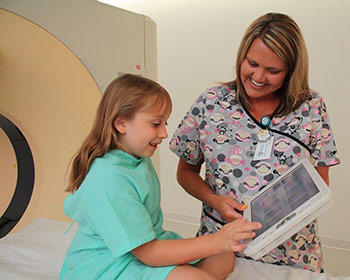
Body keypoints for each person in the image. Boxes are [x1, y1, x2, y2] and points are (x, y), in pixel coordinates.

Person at [169, 12, 340, 273]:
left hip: (294, 256)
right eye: (252, 63)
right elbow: (185, 172)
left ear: (291, 71)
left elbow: (320, 181)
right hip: (223, 252)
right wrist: (215, 200)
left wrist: (279, 214)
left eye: (273, 71)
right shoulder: (212, 102)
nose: (258, 76)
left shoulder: (311, 107)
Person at [59, 74, 261, 280]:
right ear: (121, 124)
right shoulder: (108, 179)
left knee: (224, 256)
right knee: (204, 266)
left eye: (165, 123)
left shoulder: (135, 158)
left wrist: (219, 245)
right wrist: (215, 240)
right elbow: (148, 253)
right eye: (156, 124)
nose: (164, 133)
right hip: (109, 264)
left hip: (141, 251)